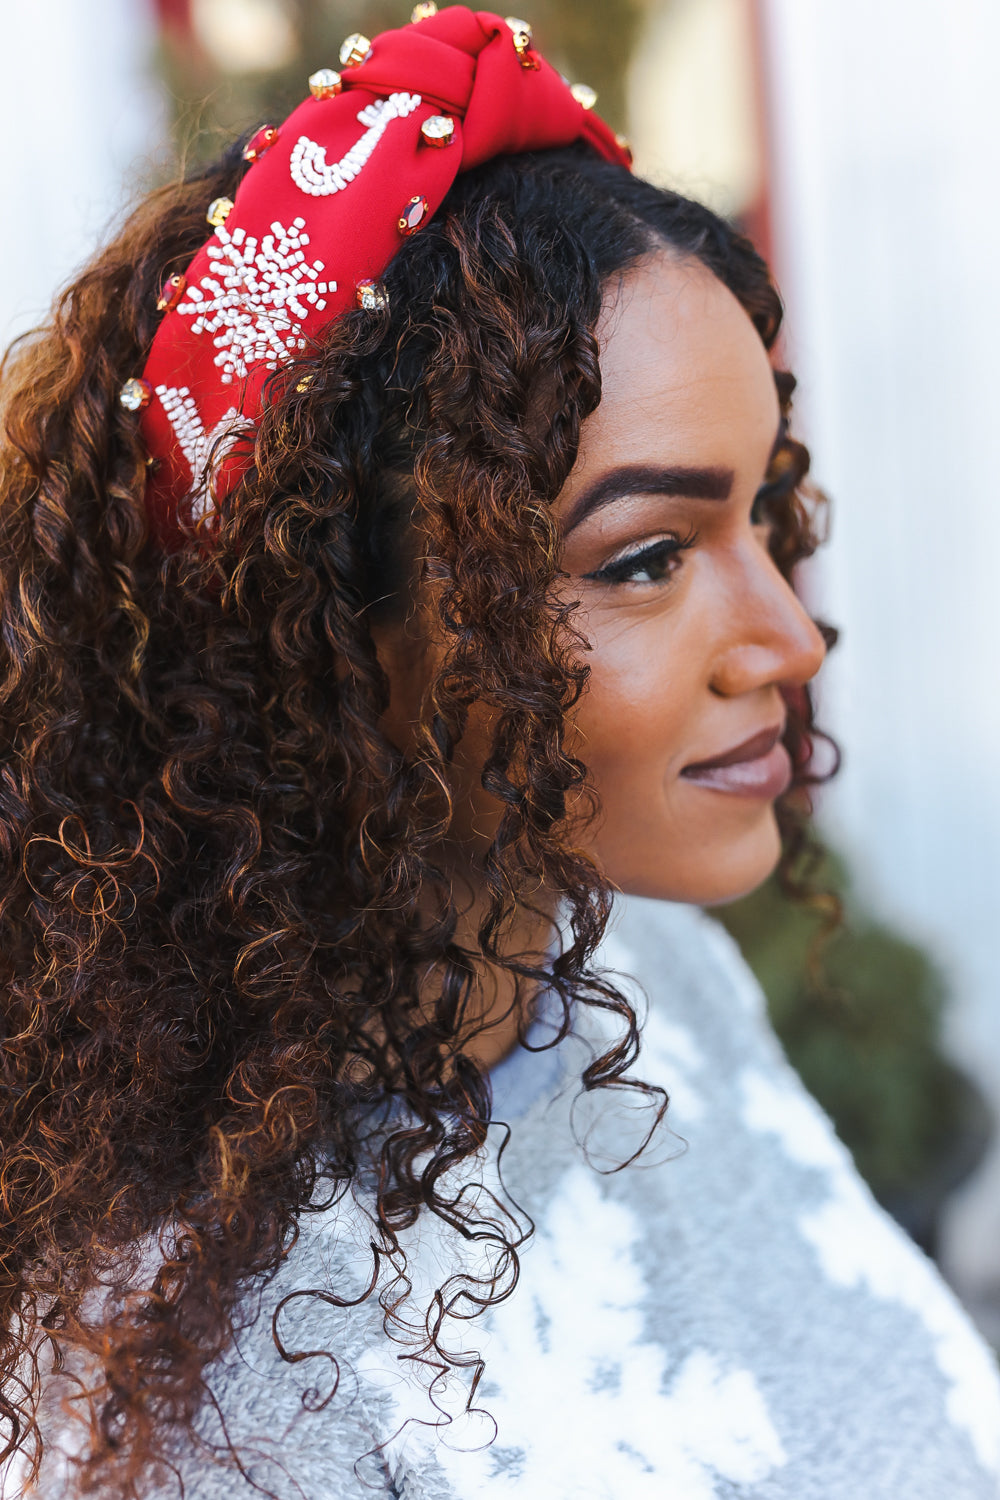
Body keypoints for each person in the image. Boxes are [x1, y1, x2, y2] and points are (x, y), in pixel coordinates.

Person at [0, 7, 998, 1498]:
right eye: (652, 556)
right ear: (337, 637)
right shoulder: (207, 1393)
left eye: (764, 517)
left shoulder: (639, 984)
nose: (789, 638)